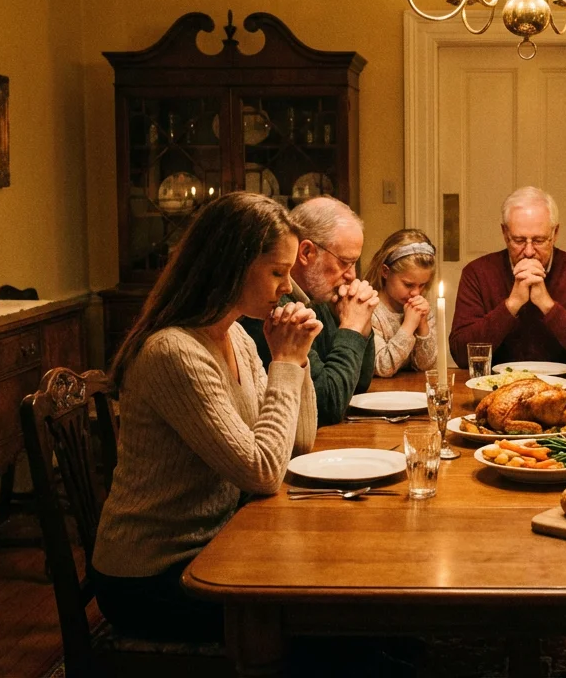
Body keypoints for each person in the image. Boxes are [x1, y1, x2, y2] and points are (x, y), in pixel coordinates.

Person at [93, 192, 321, 643]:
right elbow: (261, 473)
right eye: (278, 271)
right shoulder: (174, 351)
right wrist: (284, 364)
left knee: (328, 591)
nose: (289, 288)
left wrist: (299, 359)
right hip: (151, 575)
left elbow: (299, 443)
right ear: (231, 265)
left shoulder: (234, 335)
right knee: (316, 619)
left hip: (215, 545)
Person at [241, 196, 379, 427]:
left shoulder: (319, 295)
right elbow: (326, 406)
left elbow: (359, 383)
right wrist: (352, 328)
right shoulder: (274, 306)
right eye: (345, 262)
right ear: (306, 252)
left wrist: (360, 323)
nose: (352, 275)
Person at [449, 186, 566, 367]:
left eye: (539, 241)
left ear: (555, 233)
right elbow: (461, 355)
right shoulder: (477, 273)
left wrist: (547, 305)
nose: (528, 252)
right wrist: (511, 305)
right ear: (505, 234)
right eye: (519, 240)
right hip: (497, 387)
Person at [365, 229, 438, 377]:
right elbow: (382, 368)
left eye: (422, 285)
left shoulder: (421, 308)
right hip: (378, 394)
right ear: (385, 272)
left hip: (410, 392)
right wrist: (408, 326)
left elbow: (426, 366)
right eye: (408, 284)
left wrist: (423, 326)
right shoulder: (370, 309)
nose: (416, 293)